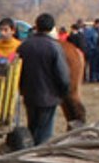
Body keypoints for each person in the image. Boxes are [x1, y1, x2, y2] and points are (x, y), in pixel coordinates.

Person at [16, 13, 74, 144]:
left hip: (29, 94)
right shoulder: (54, 47)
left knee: (33, 126)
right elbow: (62, 75)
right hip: (49, 96)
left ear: (36, 26)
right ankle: (39, 155)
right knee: (45, 132)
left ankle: (30, 151)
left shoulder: (24, 46)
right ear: (52, 27)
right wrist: (64, 91)